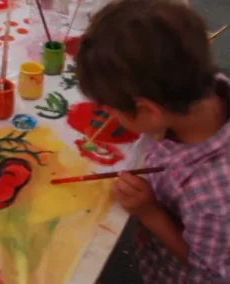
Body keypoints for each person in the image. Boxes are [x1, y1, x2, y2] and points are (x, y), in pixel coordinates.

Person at [75, 0, 230, 283]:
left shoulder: (213, 196)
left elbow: (210, 269)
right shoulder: (202, 90)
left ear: (149, 110)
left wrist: (149, 212)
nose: (104, 115)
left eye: (110, 110)